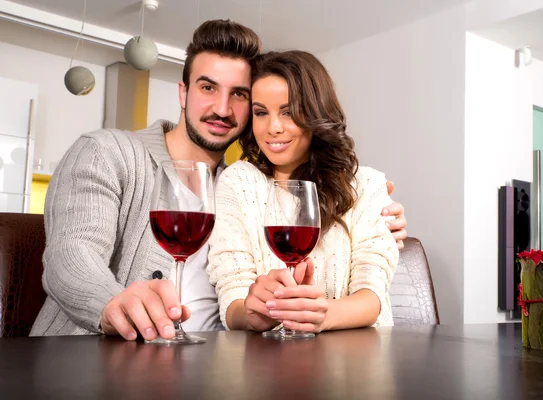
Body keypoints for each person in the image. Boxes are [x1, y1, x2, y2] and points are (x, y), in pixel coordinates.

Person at [30, 20, 407, 342]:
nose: (223, 109)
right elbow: (70, 256)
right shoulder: (107, 152)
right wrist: (112, 305)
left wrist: (380, 219)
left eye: (240, 95)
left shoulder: (243, 186)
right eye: (208, 87)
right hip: (94, 354)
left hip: (215, 367)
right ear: (183, 91)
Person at [208, 50, 398, 333]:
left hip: (357, 361)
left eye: (288, 112)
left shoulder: (365, 184)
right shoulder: (238, 182)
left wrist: (321, 315)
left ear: (315, 113)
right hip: (267, 364)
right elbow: (232, 302)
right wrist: (254, 314)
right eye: (261, 113)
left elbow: (373, 293)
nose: (272, 128)